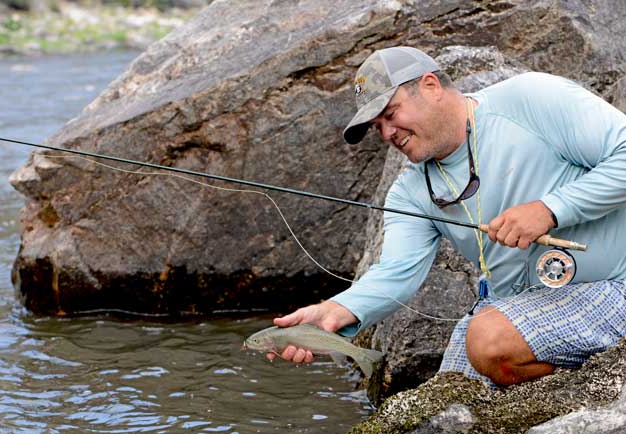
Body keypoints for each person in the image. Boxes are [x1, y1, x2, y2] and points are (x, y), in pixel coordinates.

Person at [267, 46, 626, 386]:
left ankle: (599, 380)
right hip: (514, 308)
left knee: (488, 340)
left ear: (430, 85)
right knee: (443, 403)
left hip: (614, 284)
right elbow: (396, 273)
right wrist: (331, 313)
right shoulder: (409, 192)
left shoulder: (531, 98)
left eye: (390, 115)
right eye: (378, 127)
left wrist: (550, 210)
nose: (388, 133)